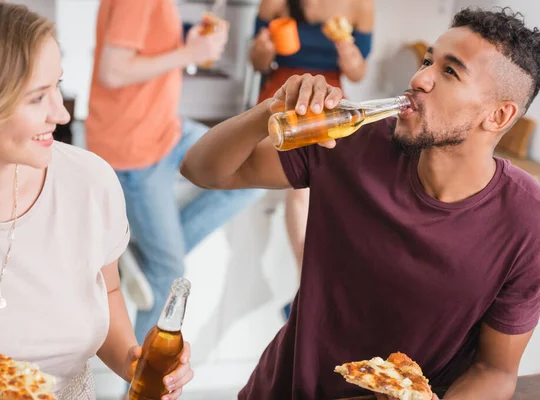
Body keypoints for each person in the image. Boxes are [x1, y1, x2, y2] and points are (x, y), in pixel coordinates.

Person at [181, 7, 540, 400]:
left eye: (450, 72)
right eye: (426, 61)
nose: (419, 79)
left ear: (498, 115)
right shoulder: (347, 140)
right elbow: (202, 170)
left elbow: (495, 370)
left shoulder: (527, 222)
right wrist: (272, 108)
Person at [0, 1, 192, 399]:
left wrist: (134, 361)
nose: (60, 114)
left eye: (57, 86)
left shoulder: (89, 182)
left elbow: (106, 293)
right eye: (37, 98)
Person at [85, 0, 265, 343]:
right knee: (168, 272)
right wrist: (189, 53)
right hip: (132, 147)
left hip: (166, 131)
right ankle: (138, 393)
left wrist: (188, 47)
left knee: (253, 168)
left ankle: (143, 254)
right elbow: (114, 70)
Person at [251, 0, 374, 319]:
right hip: (285, 98)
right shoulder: (277, 3)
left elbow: (358, 73)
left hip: (330, 102)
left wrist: (347, 51)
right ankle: (309, 289)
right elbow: (258, 62)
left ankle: (310, 292)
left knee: (326, 191)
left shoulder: (361, 5)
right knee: (303, 188)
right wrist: (263, 49)